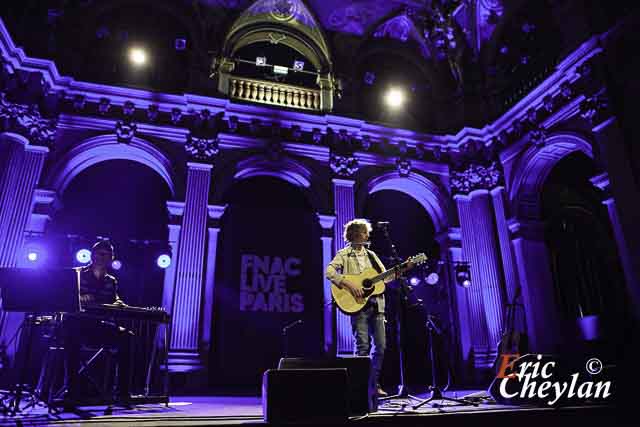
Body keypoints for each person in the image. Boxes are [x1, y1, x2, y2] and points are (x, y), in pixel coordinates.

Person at [326, 219, 409, 397]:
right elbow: (330, 272)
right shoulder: (344, 254)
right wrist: (348, 283)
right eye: (364, 232)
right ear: (355, 234)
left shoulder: (372, 255)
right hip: (357, 306)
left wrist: (401, 269)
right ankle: (360, 385)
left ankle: (373, 383)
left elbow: (384, 278)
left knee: (381, 346)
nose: (367, 235)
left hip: (377, 305)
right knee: (362, 346)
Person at [62, 239, 131, 405]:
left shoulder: (111, 281)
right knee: (72, 336)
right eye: (100, 254)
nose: (103, 258)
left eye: (108, 255)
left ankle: (121, 392)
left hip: (97, 326)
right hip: (76, 324)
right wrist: (79, 298)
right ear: (92, 256)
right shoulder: (77, 274)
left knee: (127, 337)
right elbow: (64, 298)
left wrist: (118, 303)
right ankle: (71, 390)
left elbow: (113, 301)